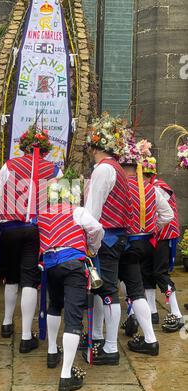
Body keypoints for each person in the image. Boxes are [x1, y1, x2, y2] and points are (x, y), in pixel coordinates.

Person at [0, 125, 63, 353]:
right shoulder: (53, 170)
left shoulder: (9, 165)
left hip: (9, 228)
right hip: (35, 229)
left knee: (10, 276)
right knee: (29, 279)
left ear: (23, 147)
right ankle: (25, 336)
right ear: (45, 149)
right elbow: (58, 202)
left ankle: (6, 323)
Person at [37, 179, 104, 391]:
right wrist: (92, 247)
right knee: (74, 318)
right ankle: (66, 375)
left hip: (51, 264)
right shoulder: (78, 211)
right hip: (74, 264)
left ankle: (51, 352)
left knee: (54, 305)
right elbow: (97, 229)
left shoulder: (42, 213)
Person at [83, 113, 132, 366]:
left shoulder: (103, 169)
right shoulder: (117, 169)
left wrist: (88, 243)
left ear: (95, 146)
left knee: (109, 291)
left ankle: (111, 348)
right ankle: (99, 336)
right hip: (115, 236)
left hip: (107, 238)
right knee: (102, 290)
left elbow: (92, 212)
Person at [118, 137, 173, 355]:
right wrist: (153, 227)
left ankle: (130, 319)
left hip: (126, 244)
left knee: (124, 284)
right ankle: (139, 323)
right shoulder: (151, 189)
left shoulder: (120, 186)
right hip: (147, 243)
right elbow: (167, 215)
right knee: (137, 284)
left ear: (123, 166)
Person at [141, 155, 184, 332]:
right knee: (147, 273)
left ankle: (177, 314)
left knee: (160, 273)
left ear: (149, 175)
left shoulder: (158, 188)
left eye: (142, 175)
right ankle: (152, 312)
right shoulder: (153, 186)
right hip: (153, 235)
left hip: (163, 235)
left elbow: (162, 214)